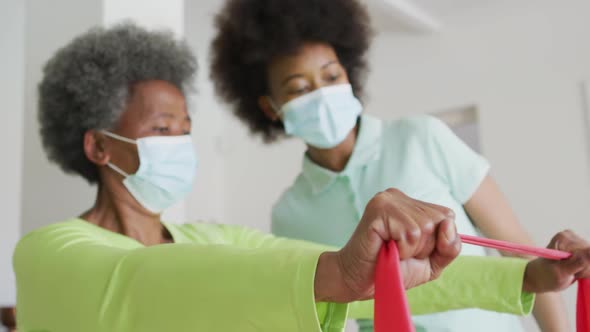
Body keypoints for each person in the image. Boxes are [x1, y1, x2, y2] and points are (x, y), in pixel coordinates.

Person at [13, 23, 590, 332]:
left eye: (188, 128)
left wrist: (530, 275)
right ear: (97, 146)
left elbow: (370, 282)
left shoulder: (219, 239)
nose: (183, 144)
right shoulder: (47, 252)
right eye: (165, 128)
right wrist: (337, 271)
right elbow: (142, 285)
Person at [209, 0, 570, 331]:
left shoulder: (421, 138)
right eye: (300, 88)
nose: (321, 93)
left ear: (348, 75)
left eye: (331, 76)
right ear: (272, 108)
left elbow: (517, 247)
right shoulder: (289, 214)